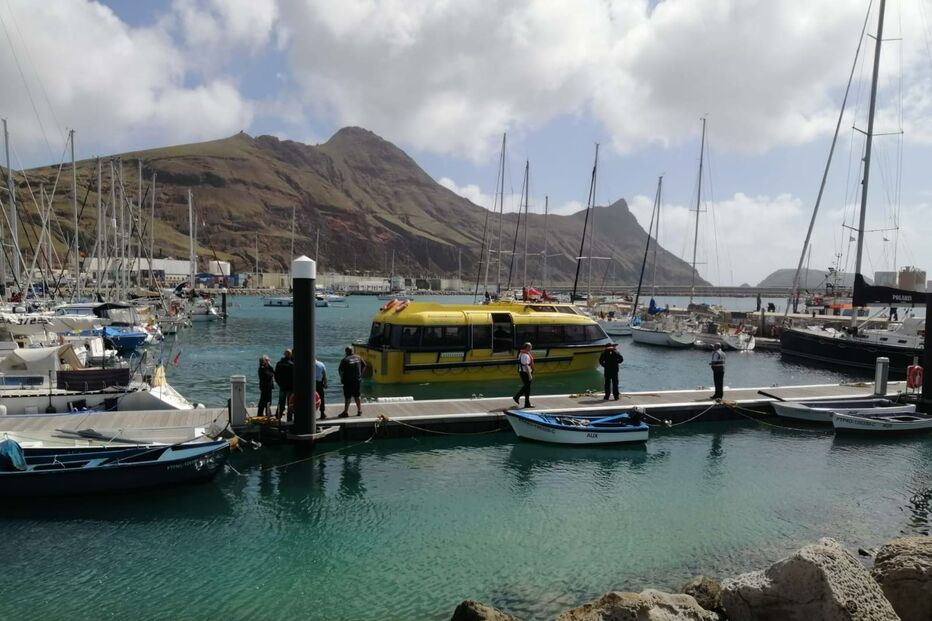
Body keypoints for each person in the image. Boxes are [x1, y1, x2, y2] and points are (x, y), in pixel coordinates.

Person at [338, 346, 367, 417]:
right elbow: (365, 365)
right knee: (357, 395)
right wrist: (361, 375)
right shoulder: (359, 357)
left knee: (348, 397)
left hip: (348, 381)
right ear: (353, 351)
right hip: (357, 381)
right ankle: (359, 410)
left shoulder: (345, 360)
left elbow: (341, 371)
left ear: (346, 352)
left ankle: (345, 412)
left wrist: (342, 378)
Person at [274, 349, 295, 420]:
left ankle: (278, 416)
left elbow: (276, 375)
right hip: (290, 387)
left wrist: (279, 383)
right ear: (290, 355)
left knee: (281, 402)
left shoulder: (279, 363)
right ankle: (289, 418)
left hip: (282, 386)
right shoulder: (292, 365)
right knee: (290, 403)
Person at [512, 342, 535, 408]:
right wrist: (530, 375)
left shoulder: (521, 354)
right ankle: (517, 397)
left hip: (523, 372)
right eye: (530, 346)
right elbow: (526, 365)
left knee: (527, 388)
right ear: (527, 347)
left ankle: (526, 403)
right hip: (525, 373)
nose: (531, 348)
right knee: (527, 387)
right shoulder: (525, 355)